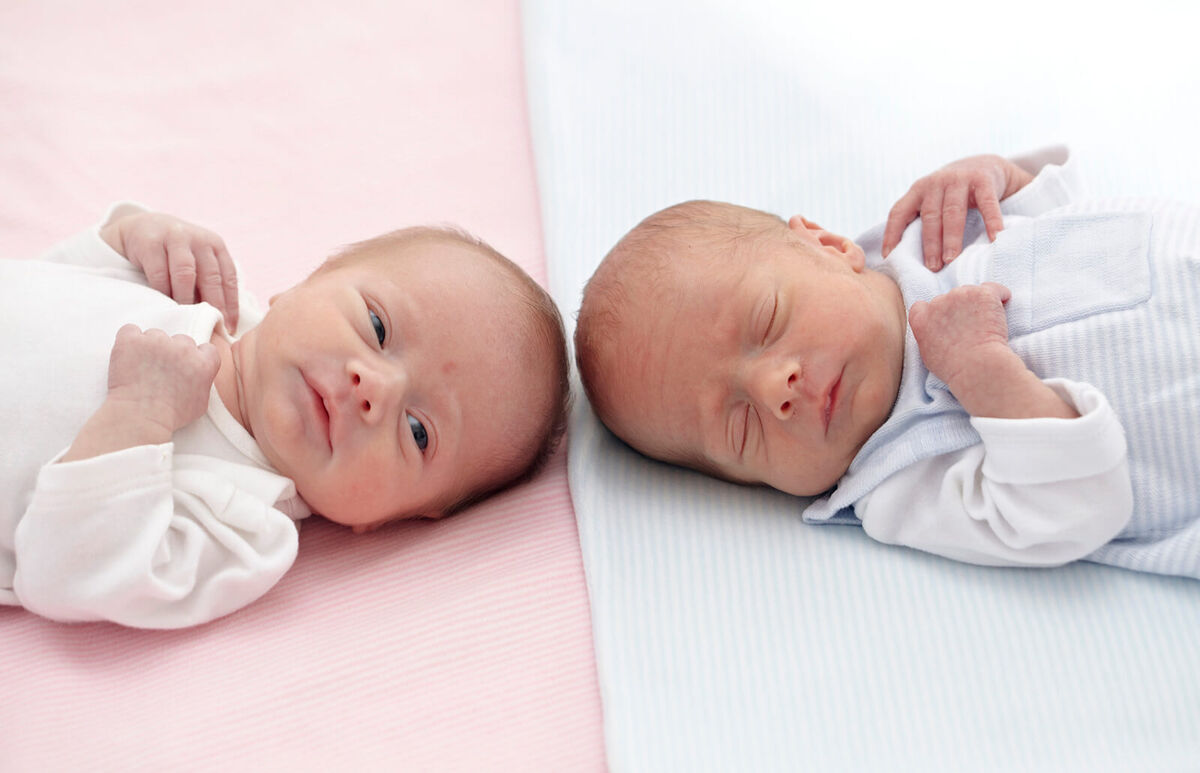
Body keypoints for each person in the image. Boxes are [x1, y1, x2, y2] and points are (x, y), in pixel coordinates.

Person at [575, 147, 1200, 580]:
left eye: (766, 321)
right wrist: (982, 372)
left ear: (826, 244)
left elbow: (1061, 205)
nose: (775, 390)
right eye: (742, 429)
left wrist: (997, 175)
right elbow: (1076, 510)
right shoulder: (899, 485)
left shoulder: (931, 235)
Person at [1, 203, 570, 627]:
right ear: (306, 282)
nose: (374, 389)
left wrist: (139, 414)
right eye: (376, 327)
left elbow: (63, 575)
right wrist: (133, 235)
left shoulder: (246, 527)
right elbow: (56, 276)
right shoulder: (195, 288)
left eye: (418, 432)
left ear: (388, 518)